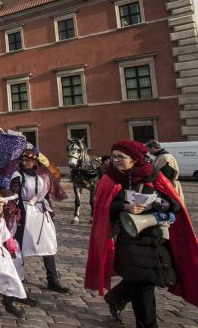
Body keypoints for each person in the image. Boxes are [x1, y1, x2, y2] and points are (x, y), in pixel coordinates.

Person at [85, 140, 198, 327]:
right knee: (143, 283)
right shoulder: (111, 179)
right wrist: (124, 206)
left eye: (121, 157)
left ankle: (116, 297)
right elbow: (104, 208)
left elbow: (176, 204)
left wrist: (161, 205)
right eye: (114, 157)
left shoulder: (155, 177)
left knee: (156, 278)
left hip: (156, 238)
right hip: (129, 238)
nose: (116, 161)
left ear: (135, 159)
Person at [10, 149, 69, 294]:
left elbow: (46, 195)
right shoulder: (18, 175)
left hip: (41, 213)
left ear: (35, 162)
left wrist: (50, 212)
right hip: (25, 212)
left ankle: (52, 279)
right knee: (19, 245)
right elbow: (13, 195)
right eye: (23, 161)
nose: (25, 163)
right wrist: (14, 212)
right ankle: (18, 277)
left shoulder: (43, 175)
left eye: (28, 161)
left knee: (48, 244)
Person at [146, 140, 185, 205]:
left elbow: (166, 176)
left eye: (148, 149)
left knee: (174, 206)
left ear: (153, 148)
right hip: (168, 185)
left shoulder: (165, 157)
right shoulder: (161, 156)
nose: (148, 152)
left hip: (169, 186)